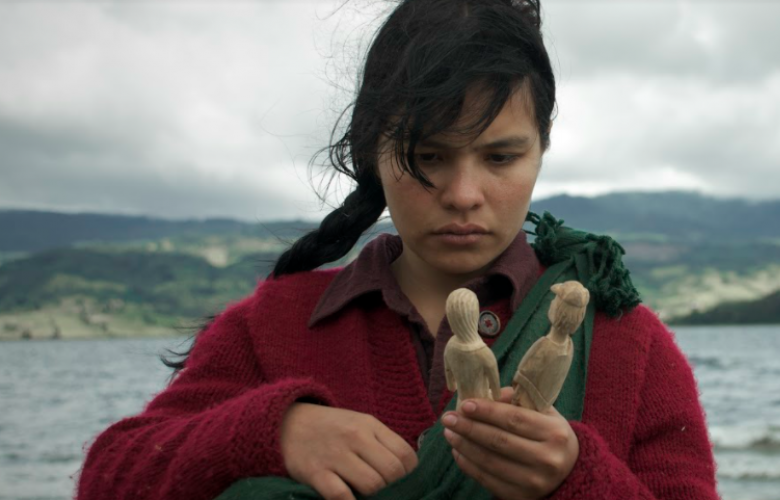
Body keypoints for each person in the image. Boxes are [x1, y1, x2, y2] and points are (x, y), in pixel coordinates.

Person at [76, 1, 718, 499]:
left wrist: (577, 478)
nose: (464, 195)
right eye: (427, 157)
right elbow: (110, 476)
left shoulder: (626, 344)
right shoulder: (272, 325)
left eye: (501, 157)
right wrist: (273, 432)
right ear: (372, 149)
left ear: (542, 145)